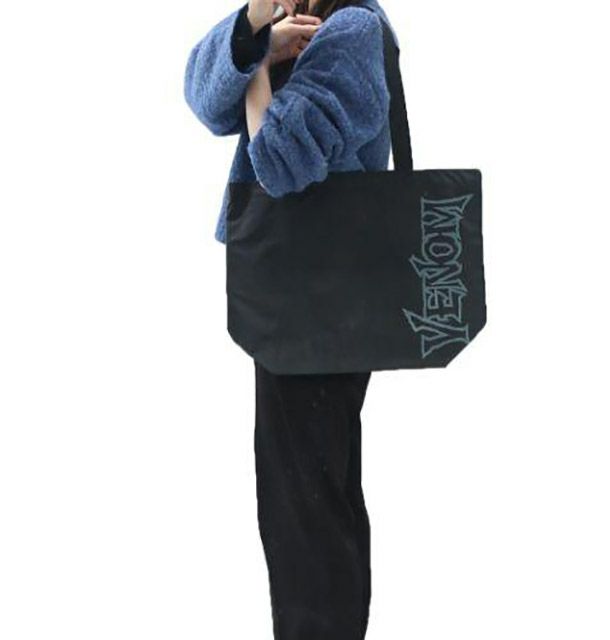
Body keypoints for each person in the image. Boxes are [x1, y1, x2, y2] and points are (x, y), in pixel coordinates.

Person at [184, 1, 399, 638]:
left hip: (320, 300)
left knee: (306, 505)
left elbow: (277, 161)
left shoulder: (352, 29)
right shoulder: (286, 23)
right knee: (309, 494)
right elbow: (203, 98)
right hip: (303, 292)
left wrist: (256, 70)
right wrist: (254, 30)